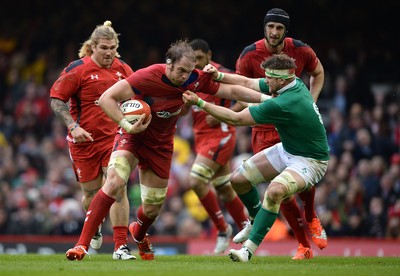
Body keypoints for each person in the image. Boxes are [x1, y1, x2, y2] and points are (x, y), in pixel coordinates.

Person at [65, 39, 269, 261]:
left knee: (151, 210)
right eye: (181, 70)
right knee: (114, 182)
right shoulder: (147, 76)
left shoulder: (193, 80)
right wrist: (126, 125)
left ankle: (139, 234)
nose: (184, 76)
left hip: (161, 147)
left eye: (189, 71)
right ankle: (82, 246)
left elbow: (231, 91)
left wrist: (266, 99)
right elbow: (106, 98)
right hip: (133, 138)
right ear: (168, 64)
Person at [182, 53, 330, 262]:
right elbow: (246, 82)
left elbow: (234, 118)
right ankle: (254, 219)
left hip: (311, 160)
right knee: (238, 180)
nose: (265, 80)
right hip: (288, 149)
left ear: (280, 79)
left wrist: (199, 102)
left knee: (275, 191)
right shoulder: (292, 82)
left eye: (269, 77)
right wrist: (219, 76)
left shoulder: (283, 102)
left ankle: (248, 249)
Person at [233, 7, 326, 259]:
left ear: (286, 31)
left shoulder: (300, 49)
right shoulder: (249, 54)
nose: (274, 32)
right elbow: (241, 88)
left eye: (279, 28)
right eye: (270, 27)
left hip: (293, 125)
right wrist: (236, 110)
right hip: (264, 127)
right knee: (281, 193)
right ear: (264, 28)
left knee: (297, 177)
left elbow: (318, 72)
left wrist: (311, 101)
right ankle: (303, 245)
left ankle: (310, 215)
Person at [50, 21, 136, 260]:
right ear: (92, 47)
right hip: (83, 142)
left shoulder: (124, 70)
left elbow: (136, 100)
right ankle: (95, 224)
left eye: (113, 47)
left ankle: (120, 247)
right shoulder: (77, 69)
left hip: (115, 140)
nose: (109, 52)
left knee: (118, 186)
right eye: (104, 47)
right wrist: (72, 125)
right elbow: (56, 100)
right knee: (91, 193)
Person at [187, 38, 248, 254]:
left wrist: (226, 113)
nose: (196, 64)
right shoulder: (189, 75)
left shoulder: (222, 74)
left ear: (209, 56)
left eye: (200, 59)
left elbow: (245, 98)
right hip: (201, 138)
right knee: (224, 187)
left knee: (196, 179)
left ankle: (223, 229)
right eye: (193, 60)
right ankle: (247, 230)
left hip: (221, 135)